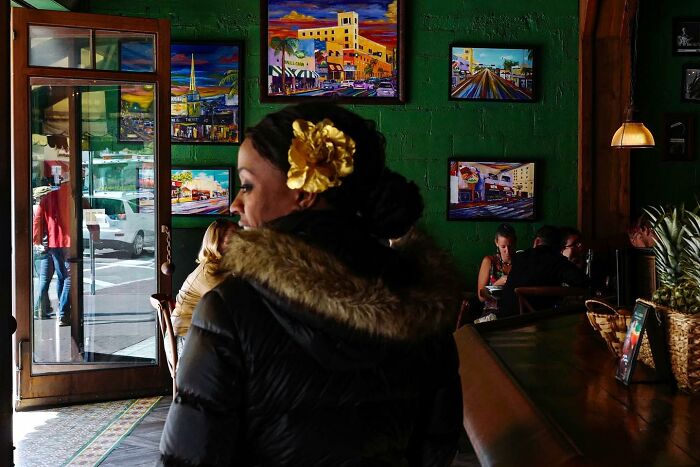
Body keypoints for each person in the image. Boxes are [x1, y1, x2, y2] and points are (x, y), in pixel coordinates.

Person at [160, 103, 463, 466]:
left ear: (303, 193)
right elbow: (437, 446)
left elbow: (191, 458)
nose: (236, 203)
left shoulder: (230, 310)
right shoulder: (423, 300)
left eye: (247, 185)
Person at [170, 218, 237, 357]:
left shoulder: (221, 268)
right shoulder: (209, 272)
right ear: (216, 243)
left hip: (197, 336)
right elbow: (232, 306)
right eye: (232, 238)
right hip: (185, 341)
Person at [499, 225, 588, 317]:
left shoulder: (519, 257)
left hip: (505, 321)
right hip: (536, 323)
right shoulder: (557, 261)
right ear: (559, 247)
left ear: (537, 241)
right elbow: (584, 282)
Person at [32, 180, 72, 326]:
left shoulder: (47, 199)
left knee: (61, 277)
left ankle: (60, 311)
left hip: (54, 244)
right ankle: (63, 313)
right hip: (68, 242)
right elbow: (88, 213)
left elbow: (37, 221)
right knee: (69, 278)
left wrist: (37, 240)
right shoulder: (72, 197)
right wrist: (95, 233)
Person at [476, 223, 516, 313]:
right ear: (496, 243)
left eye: (510, 246)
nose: (507, 251)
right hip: (493, 313)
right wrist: (497, 284)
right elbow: (480, 297)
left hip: (515, 312)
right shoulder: (489, 261)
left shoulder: (520, 261)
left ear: (515, 242)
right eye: (503, 247)